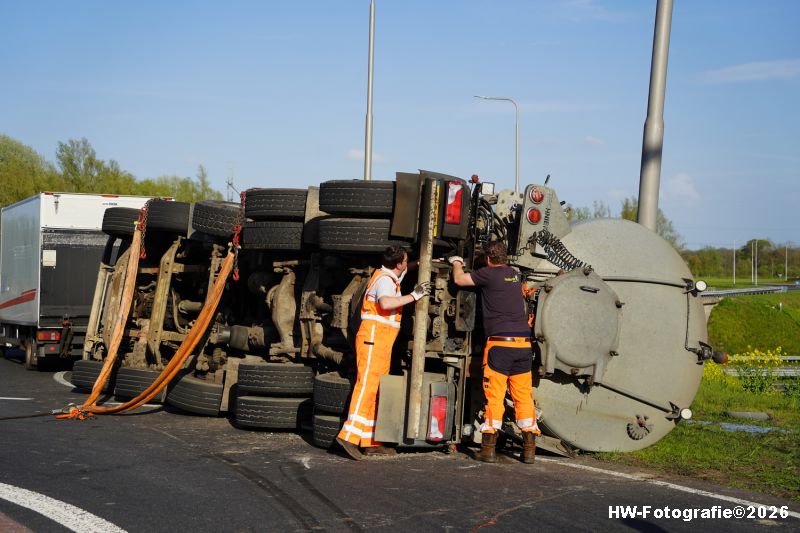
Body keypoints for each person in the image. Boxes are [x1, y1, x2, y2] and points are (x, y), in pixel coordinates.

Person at [336, 245, 431, 460]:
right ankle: (348, 436)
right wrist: (414, 296)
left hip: (380, 342)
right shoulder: (385, 281)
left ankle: (370, 441)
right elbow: (386, 303)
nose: (407, 264)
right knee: (366, 387)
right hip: (373, 340)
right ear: (398, 264)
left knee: (375, 390)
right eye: (406, 261)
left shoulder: (388, 275)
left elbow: (405, 270)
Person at [449, 241, 540, 464]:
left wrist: (457, 262)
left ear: (489, 260)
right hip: (523, 345)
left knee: (495, 397)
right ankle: (529, 450)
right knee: (523, 397)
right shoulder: (514, 275)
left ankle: (488, 449)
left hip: (500, 345)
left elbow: (459, 279)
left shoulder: (488, 274)